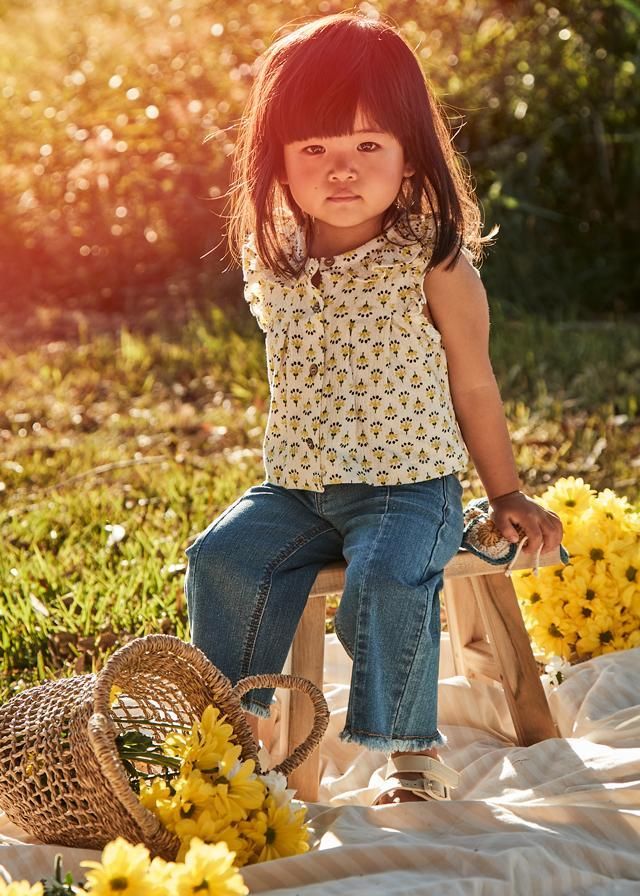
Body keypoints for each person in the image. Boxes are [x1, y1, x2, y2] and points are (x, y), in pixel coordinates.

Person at [185, 12, 564, 805]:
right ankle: (230, 729)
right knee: (218, 556)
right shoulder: (276, 253)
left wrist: (506, 493)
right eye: (314, 149)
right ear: (278, 162)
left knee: (388, 578)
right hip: (298, 488)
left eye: (368, 146)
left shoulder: (431, 256)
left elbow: (474, 382)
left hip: (408, 487)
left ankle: (410, 748)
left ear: (408, 152)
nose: (342, 170)